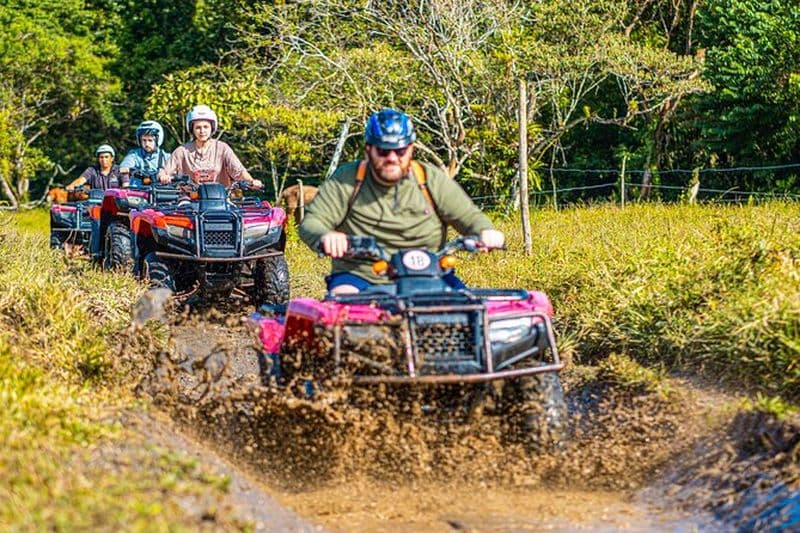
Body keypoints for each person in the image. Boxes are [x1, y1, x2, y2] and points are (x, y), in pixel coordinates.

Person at [299, 108, 505, 295]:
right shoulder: (347, 180)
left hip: (431, 274)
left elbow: (468, 216)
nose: (391, 157)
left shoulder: (429, 179)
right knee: (342, 312)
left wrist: (485, 231)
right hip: (361, 275)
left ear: (411, 149)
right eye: (382, 150)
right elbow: (312, 223)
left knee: (472, 312)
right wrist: (327, 236)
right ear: (368, 149)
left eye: (399, 151)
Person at [157, 105, 262, 189]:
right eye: (198, 127)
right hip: (189, 199)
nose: (202, 131)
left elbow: (238, 171)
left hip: (220, 199)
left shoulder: (222, 148)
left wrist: (252, 181)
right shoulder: (182, 151)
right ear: (192, 129)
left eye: (206, 127)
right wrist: (163, 176)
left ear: (212, 128)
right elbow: (165, 171)